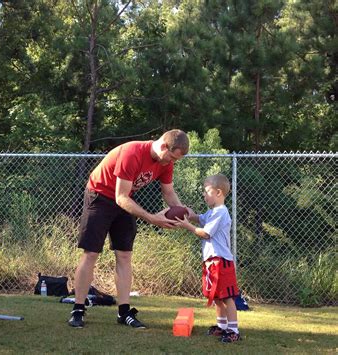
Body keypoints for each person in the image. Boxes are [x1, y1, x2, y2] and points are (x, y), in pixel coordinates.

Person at [68, 129, 191, 329]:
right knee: (91, 253)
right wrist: (151, 218)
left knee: (124, 255)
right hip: (100, 196)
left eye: (175, 160)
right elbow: (120, 197)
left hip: (124, 199)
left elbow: (169, 193)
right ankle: (78, 309)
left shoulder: (166, 162)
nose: (171, 163)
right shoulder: (132, 153)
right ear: (163, 146)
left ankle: (123, 312)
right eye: (171, 157)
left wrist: (183, 214)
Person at [176, 174, 241, 343]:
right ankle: (222, 326)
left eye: (206, 192)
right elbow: (201, 218)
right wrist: (191, 215)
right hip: (212, 261)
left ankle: (233, 330)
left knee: (227, 297)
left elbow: (205, 233)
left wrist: (187, 226)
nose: (204, 195)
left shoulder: (221, 212)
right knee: (217, 297)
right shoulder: (212, 212)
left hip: (221, 260)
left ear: (218, 192)